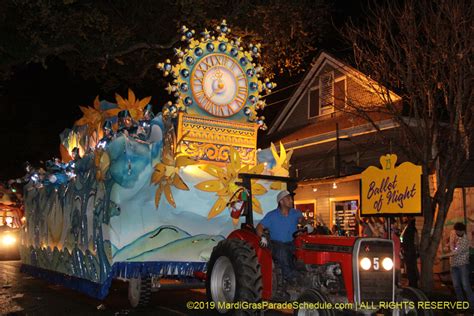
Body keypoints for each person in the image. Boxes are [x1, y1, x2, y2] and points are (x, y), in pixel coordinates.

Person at [256, 190, 310, 285]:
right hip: (276, 244)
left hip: (292, 243)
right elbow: (259, 227)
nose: (291, 201)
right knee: (283, 251)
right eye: (288, 198)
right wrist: (263, 237)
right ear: (281, 201)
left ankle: (307, 273)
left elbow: (302, 220)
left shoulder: (295, 213)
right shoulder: (272, 215)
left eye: (291, 198)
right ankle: (291, 277)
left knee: (304, 251)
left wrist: (306, 223)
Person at [443, 222, 474, 307]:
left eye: (460, 232)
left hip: (462, 264)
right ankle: (461, 304)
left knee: (465, 285)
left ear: (463, 231)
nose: (458, 233)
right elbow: (450, 241)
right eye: (457, 231)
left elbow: (456, 252)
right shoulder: (453, 232)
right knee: (456, 286)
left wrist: (442, 256)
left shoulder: (465, 239)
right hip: (453, 264)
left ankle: (472, 305)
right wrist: (447, 245)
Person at [400, 216, 419, 288]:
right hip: (411, 251)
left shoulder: (408, 230)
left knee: (410, 268)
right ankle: (413, 283)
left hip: (409, 252)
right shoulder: (412, 229)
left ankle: (413, 283)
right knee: (412, 268)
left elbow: (403, 239)